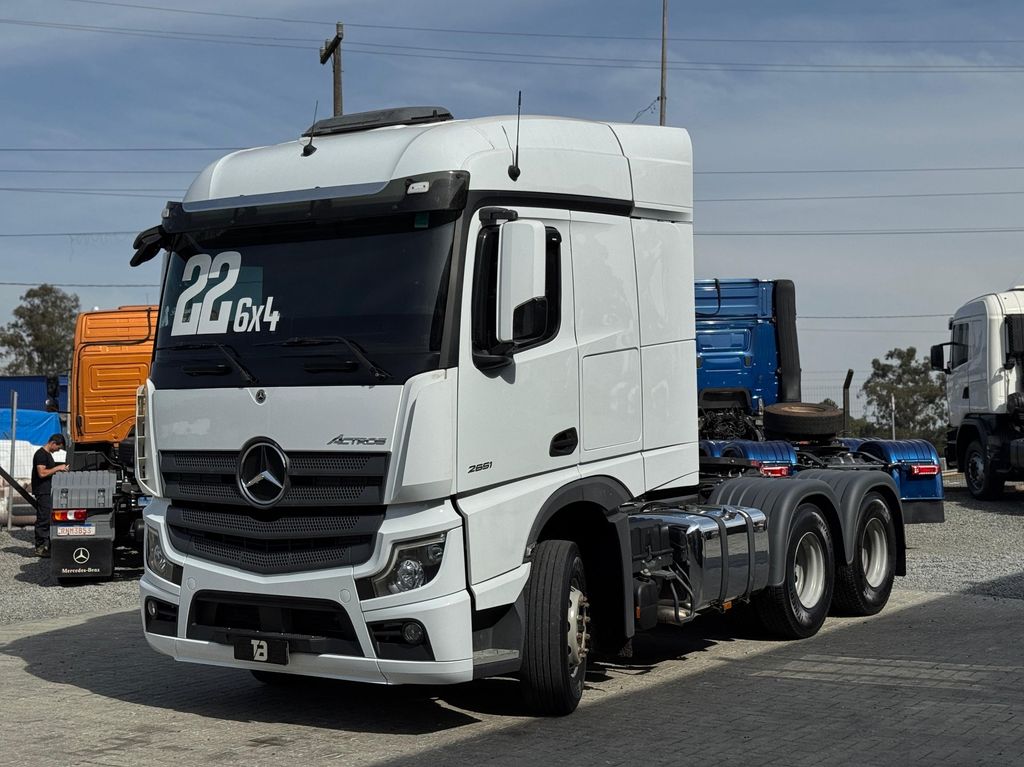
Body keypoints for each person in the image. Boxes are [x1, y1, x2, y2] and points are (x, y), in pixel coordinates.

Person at [31, 434, 68, 557]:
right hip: (43, 491)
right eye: (57, 448)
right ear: (53, 443)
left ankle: (46, 545)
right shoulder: (41, 454)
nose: (57, 450)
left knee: (47, 517)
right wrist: (58, 468)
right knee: (43, 518)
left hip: (47, 490)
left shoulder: (47, 455)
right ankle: (40, 547)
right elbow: (41, 473)